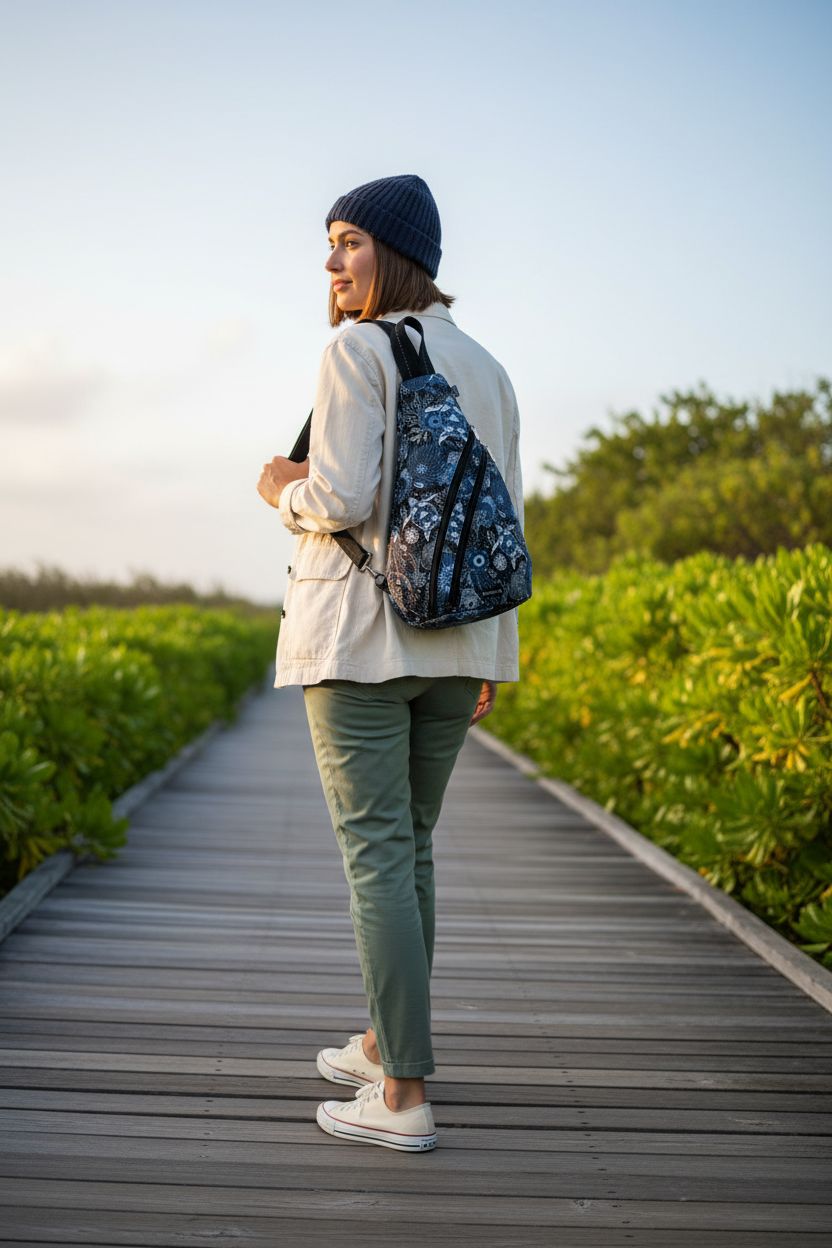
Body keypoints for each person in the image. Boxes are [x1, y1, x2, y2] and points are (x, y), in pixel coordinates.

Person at [256, 173, 524, 1152]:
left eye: (348, 243)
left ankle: (404, 1099)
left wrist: (279, 486)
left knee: (377, 859)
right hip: (457, 645)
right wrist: (495, 651)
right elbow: (506, 525)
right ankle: (384, 1042)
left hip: (360, 642)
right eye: (329, 247)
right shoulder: (487, 365)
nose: (332, 265)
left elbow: (336, 497)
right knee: (409, 851)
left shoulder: (355, 349)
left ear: (395, 253)